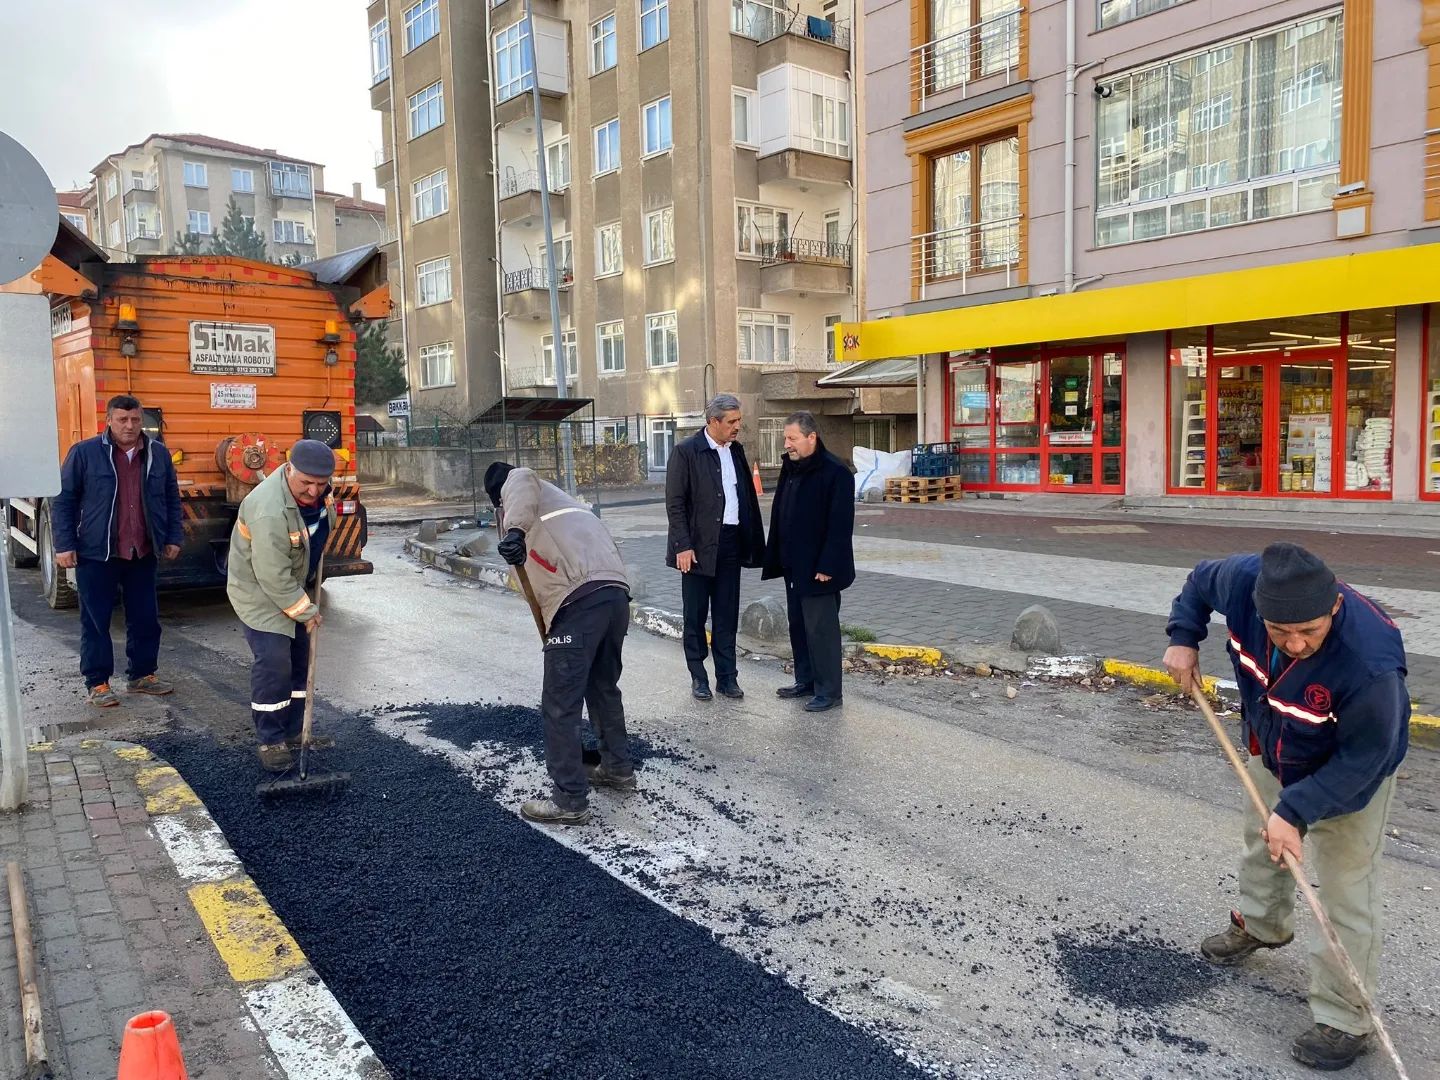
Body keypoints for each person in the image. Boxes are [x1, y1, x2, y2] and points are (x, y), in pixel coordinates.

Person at [1164, 542, 1409, 1071]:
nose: (1295, 643)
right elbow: (1197, 580)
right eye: (1280, 632)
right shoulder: (1241, 581)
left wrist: (1296, 811)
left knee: (1346, 893)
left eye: (1310, 632)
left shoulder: (1370, 662)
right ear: (1259, 609)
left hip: (1349, 772)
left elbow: (1369, 755)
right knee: (1263, 842)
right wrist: (1183, 639)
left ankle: (1345, 1019)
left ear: (1334, 609)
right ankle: (1262, 924)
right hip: (1275, 746)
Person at [487, 461, 634, 826]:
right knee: (603, 689)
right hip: (614, 599)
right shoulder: (564, 506)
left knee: (560, 704)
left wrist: (515, 531)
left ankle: (569, 800)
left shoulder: (519, 481)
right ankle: (617, 768)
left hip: (579, 602)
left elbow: (519, 481)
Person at [51, 394, 183, 707]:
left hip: (142, 550)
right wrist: (64, 544)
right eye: (122, 419)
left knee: (145, 617)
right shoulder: (85, 453)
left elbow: (171, 499)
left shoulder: (158, 454)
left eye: (136, 420)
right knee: (96, 620)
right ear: (108, 420)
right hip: (97, 552)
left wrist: (173, 536)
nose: (130, 425)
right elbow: (64, 501)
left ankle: (142, 675)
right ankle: (98, 683)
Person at [226, 440, 338, 773]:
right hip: (258, 591)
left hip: (292, 584)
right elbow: (271, 575)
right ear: (289, 468)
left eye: (320, 484)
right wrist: (306, 611)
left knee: (301, 660)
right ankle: (271, 740)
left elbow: (314, 537)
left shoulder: (322, 494)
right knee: (275, 661)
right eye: (306, 482)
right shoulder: (268, 508)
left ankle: (294, 733)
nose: (314, 490)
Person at [664, 394, 766, 702]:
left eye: (739, 420)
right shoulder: (687, 452)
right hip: (696, 548)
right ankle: (698, 677)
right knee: (695, 615)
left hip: (730, 544)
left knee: (726, 615)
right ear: (713, 422)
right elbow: (675, 503)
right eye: (732, 422)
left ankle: (727, 678)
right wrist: (682, 545)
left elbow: (744, 496)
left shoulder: (736, 451)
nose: (738, 426)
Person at [762, 411, 855, 713]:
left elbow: (840, 525)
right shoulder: (792, 468)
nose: (787, 444)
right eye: (785, 438)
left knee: (821, 630)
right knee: (799, 625)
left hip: (820, 570)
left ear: (811, 437)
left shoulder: (835, 472)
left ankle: (829, 691)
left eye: (792, 438)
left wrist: (828, 565)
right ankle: (806, 680)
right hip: (794, 564)